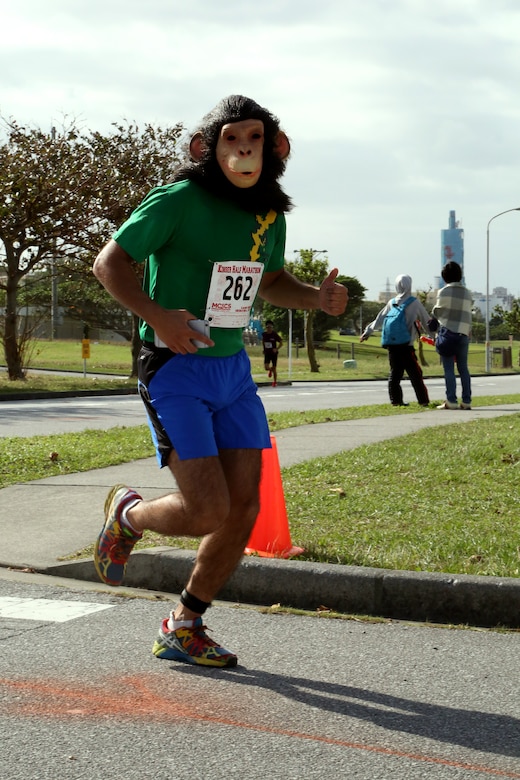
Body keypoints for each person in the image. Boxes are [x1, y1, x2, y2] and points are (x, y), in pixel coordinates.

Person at [91, 95, 348, 668]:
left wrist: (317, 299)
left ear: (276, 148)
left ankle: (184, 625)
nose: (244, 150)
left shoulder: (269, 216)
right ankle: (129, 515)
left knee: (244, 509)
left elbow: (270, 280)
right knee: (207, 509)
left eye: (254, 139)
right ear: (205, 149)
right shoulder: (178, 201)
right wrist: (157, 316)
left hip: (233, 370)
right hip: (174, 367)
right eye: (232, 139)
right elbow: (109, 263)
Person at [360, 274, 432, 407]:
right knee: (415, 373)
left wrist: (367, 332)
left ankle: (396, 401)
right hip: (406, 345)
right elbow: (426, 321)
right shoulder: (414, 302)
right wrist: (435, 336)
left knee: (395, 372)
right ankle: (423, 401)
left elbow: (379, 319)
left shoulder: (392, 302)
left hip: (392, 344)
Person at [431, 261, 472, 410]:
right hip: (463, 333)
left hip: (448, 333)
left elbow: (437, 312)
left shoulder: (443, 292)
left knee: (449, 368)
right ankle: (466, 401)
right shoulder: (467, 293)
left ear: (445, 277)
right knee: (463, 368)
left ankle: (451, 400)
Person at [261, 320, 283, 386]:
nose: (269, 329)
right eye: (267, 327)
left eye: (270, 327)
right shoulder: (264, 334)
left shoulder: (274, 334)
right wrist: (264, 349)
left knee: (274, 368)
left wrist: (276, 349)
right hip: (267, 353)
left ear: (272, 327)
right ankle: (270, 370)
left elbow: (281, 342)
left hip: (273, 354)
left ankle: (274, 382)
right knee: (266, 367)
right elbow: (263, 342)